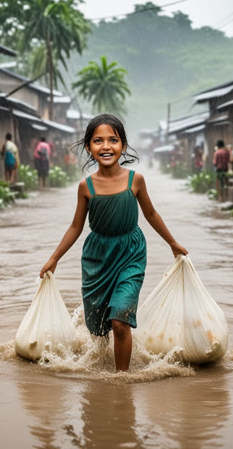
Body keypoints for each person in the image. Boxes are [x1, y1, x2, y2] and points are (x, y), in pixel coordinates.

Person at [39, 114, 188, 372]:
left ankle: (121, 380)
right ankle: (102, 362)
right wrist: (54, 258)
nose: (106, 146)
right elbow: (76, 227)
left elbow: (151, 214)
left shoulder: (136, 181)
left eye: (113, 140)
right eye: (98, 141)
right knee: (97, 327)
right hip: (97, 256)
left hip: (130, 253)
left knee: (120, 319)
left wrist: (173, 244)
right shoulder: (86, 187)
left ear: (124, 145)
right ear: (89, 147)